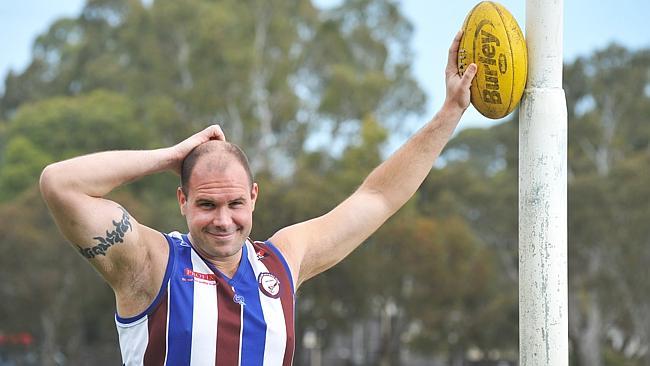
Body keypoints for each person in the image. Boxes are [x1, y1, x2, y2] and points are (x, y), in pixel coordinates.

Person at [39, 31, 477, 366]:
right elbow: (61, 184)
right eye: (206, 205)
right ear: (182, 201)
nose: (223, 220)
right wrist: (169, 156)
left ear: (253, 198)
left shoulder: (281, 261)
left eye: (234, 204)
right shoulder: (150, 264)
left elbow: (377, 196)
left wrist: (451, 112)